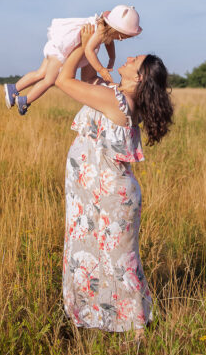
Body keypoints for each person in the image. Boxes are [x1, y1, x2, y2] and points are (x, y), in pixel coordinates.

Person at [54, 23, 173, 336]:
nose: (130, 57)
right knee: (92, 259)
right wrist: (89, 43)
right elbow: (89, 78)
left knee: (119, 267)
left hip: (110, 199)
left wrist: (87, 44)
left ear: (140, 78)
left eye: (135, 60)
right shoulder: (115, 96)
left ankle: (136, 332)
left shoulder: (117, 102)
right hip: (95, 196)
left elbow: (62, 79)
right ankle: (100, 320)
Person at [4, 5, 143, 115]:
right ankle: (25, 100)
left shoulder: (106, 31)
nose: (121, 39)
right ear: (118, 31)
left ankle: (14, 88)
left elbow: (109, 43)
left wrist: (112, 58)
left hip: (61, 46)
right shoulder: (100, 30)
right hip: (63, 50)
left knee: (40, 73)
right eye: (123, 36)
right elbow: (89, 50)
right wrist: (101, 69)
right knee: (50, 80)